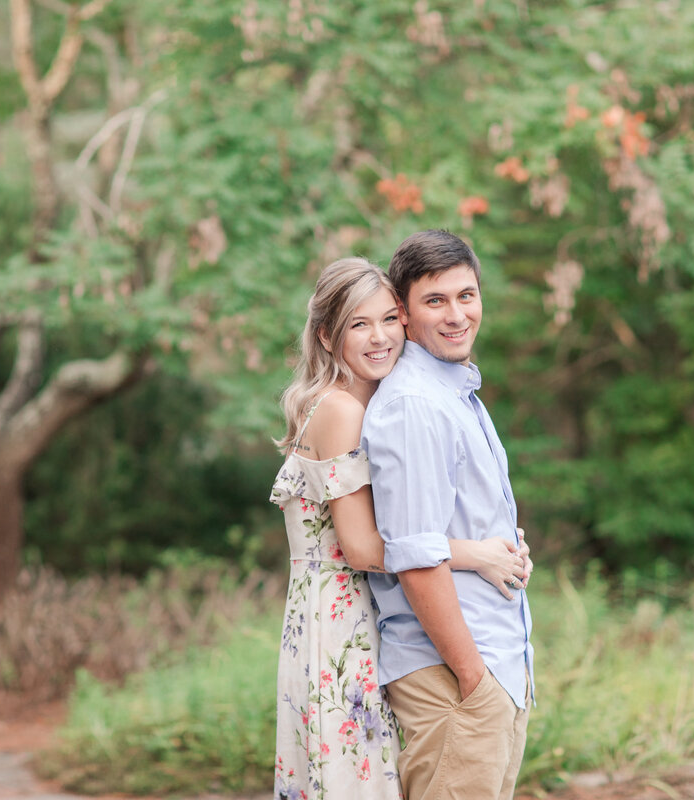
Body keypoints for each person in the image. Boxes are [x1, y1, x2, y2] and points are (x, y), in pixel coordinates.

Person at [270, 257, 531, 800]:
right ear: (326, 334)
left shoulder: (360, 404)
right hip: (339, 623)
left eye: (389, 319)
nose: (381, 336)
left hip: (353, 618)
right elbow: (363, 549)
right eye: (359, 325)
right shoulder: (341, 409)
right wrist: (476, 554)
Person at [362, 230, 534, 800]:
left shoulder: (453, 394)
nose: (457, 314)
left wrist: (507, 549)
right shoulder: (415, 406)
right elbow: (413, 557)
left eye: (467, 296)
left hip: (492, 666)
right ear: (405, 315)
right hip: (454, 676)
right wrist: (473, 680)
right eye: (435, 301)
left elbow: (452, 526)